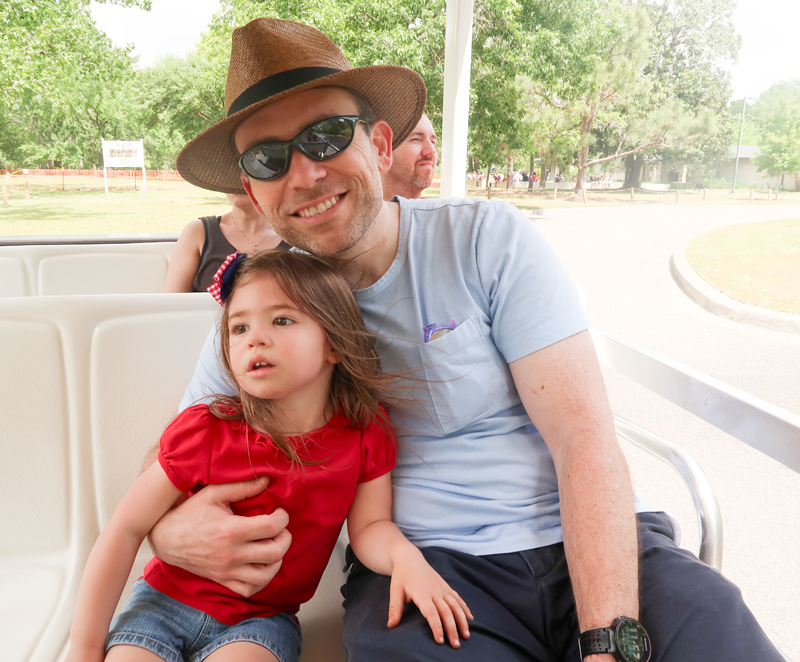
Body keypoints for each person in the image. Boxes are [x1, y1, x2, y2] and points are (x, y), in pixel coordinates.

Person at [150, 17, 783, 662]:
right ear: (252, 187)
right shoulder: (263, 306)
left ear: (378, 143)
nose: (304, 173)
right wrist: (167, 534)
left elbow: (583, 438)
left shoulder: (486, 239)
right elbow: (174, 456)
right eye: (268, 158)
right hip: (422, 567)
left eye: (326, 135)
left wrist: (607, 643)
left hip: (589, 536)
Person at [65, 250, 472, 662]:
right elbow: (125, 529)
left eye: (281, 320)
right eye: (239, 327)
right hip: (161, 606)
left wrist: (405, 557)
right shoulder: (205, 430)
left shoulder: (366, 433)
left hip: (260, 621)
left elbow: (370, 526)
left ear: (334, 343)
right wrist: (83, 647)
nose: (254, 338)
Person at [164, 192, 285, 293]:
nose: (238, 182)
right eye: (230, 176)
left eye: (249, 173)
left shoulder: (295, 234)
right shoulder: (198, 231)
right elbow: (172, 306)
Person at [380, 112, 437, 200]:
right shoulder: (358, 212)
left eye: (432, 142)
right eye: (416, 139)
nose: (432, 150)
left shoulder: (438, 213)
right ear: (382, 150)